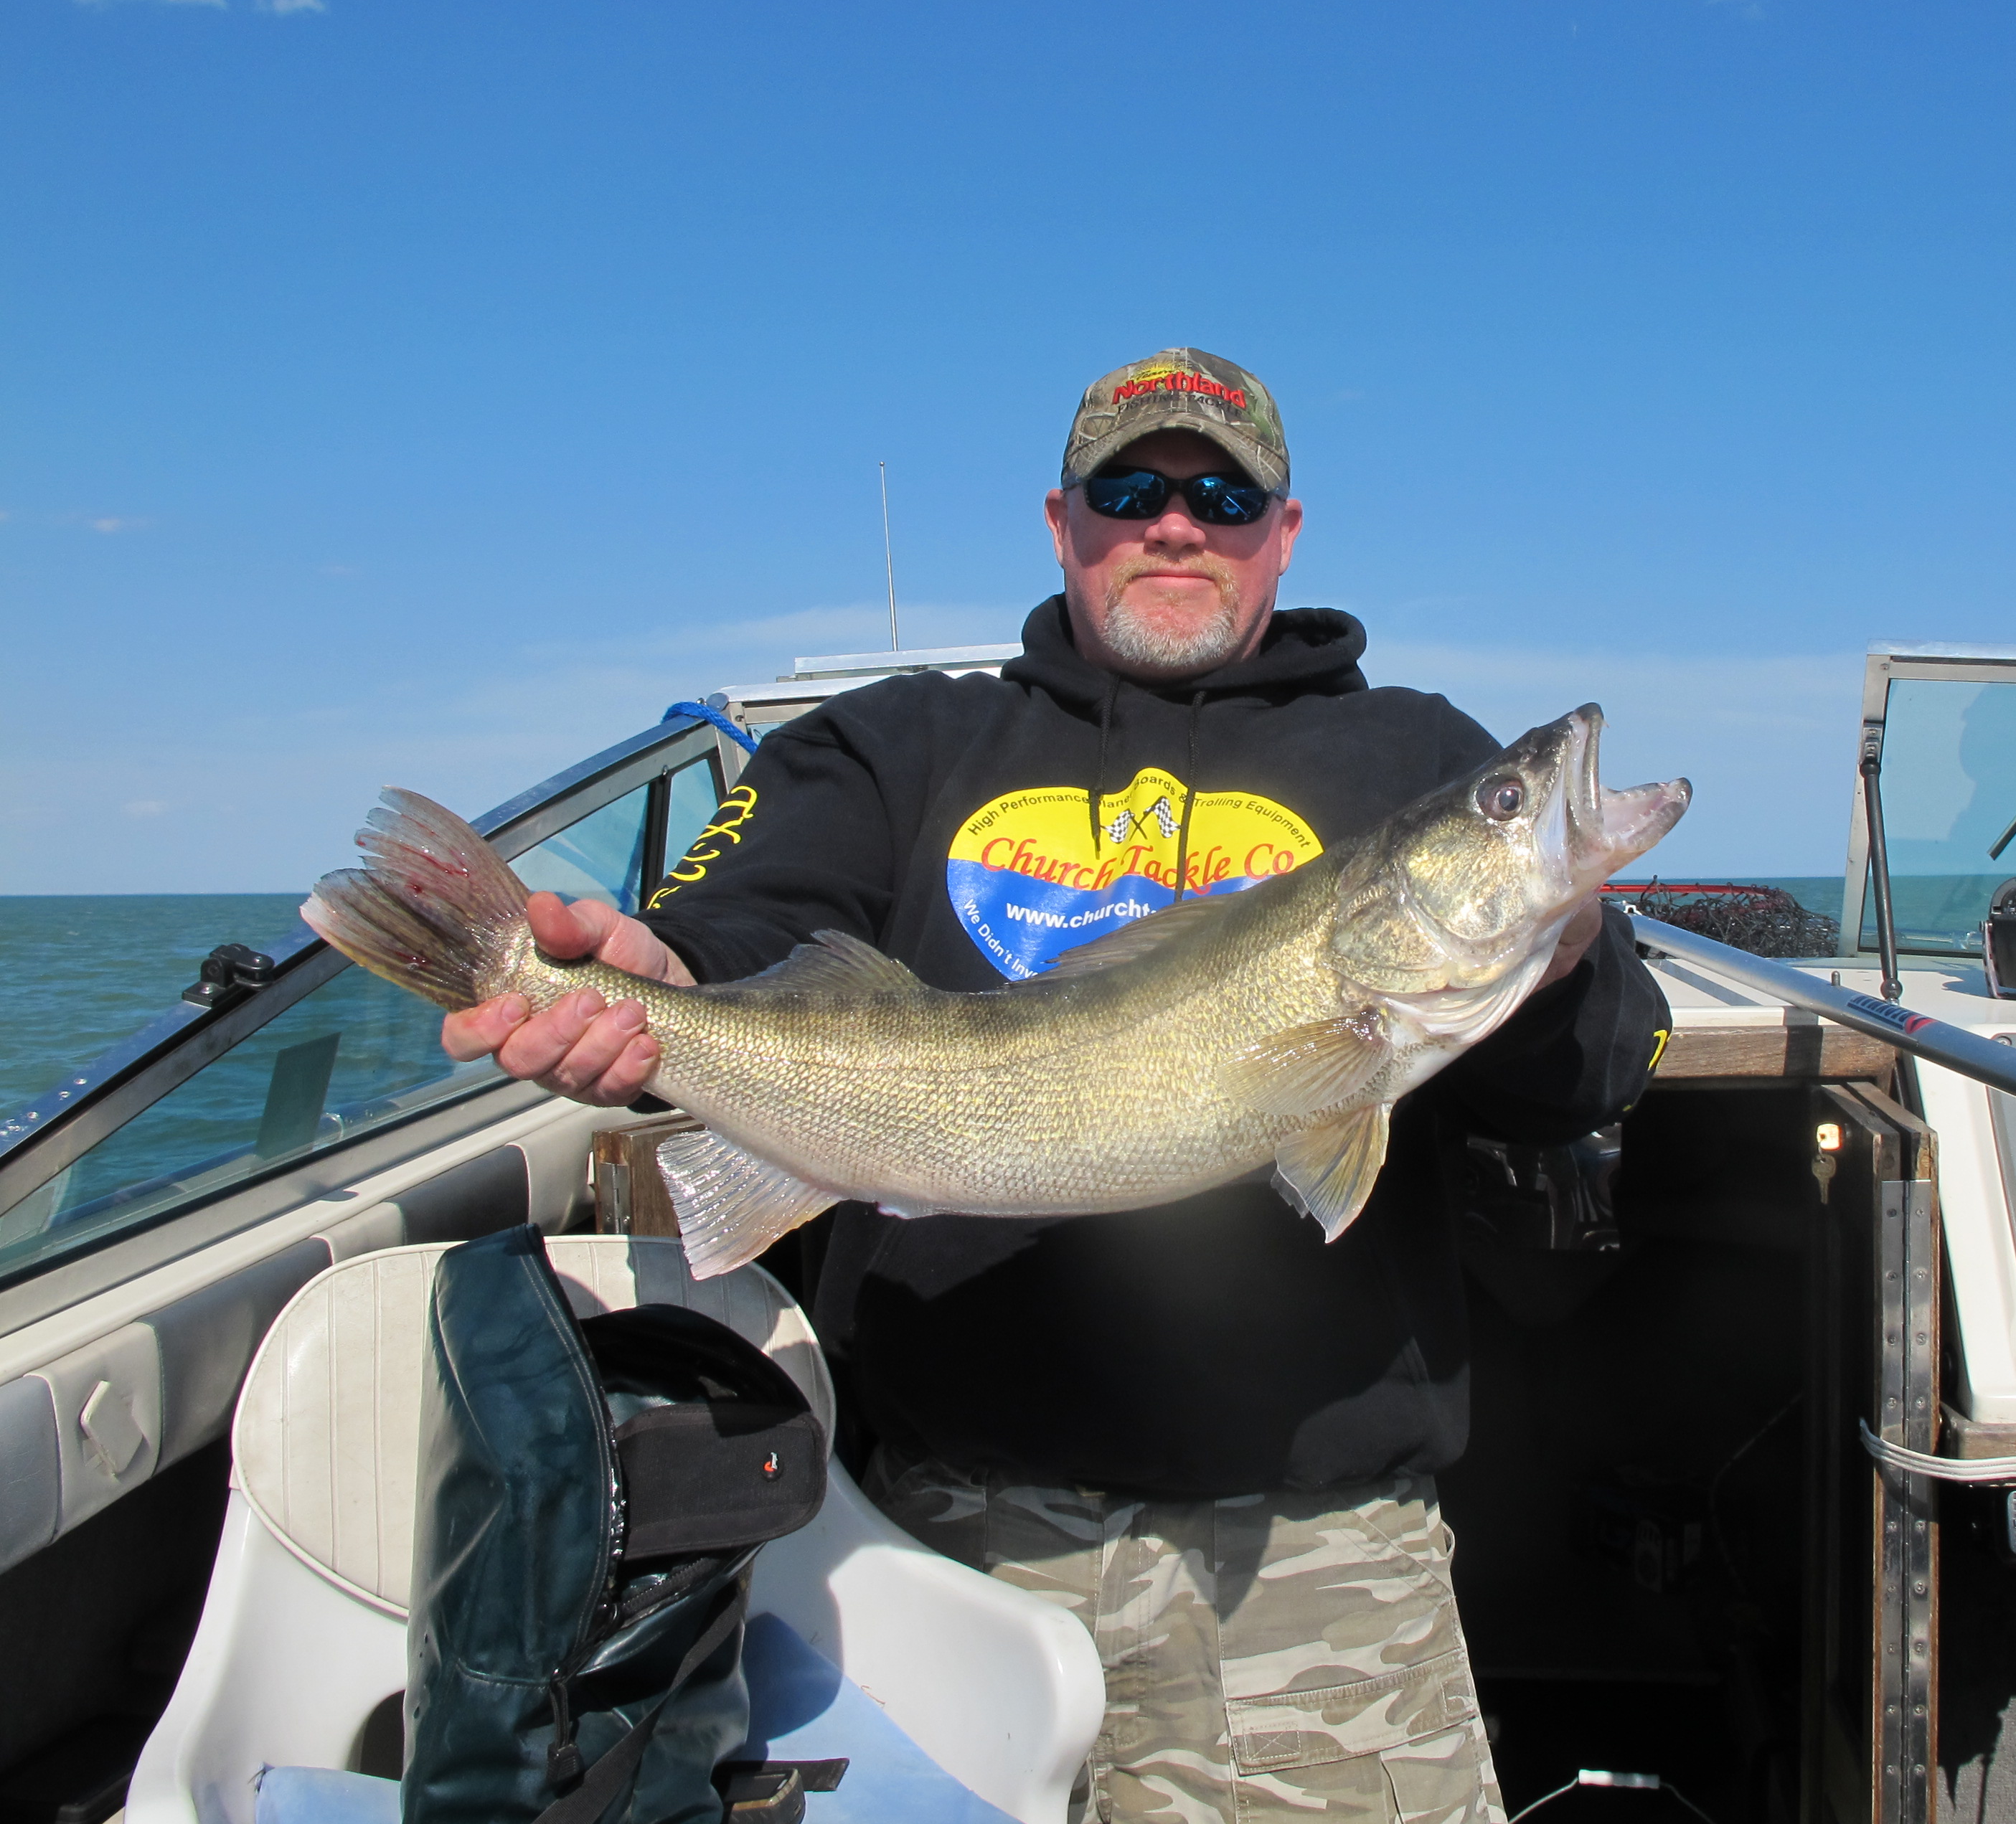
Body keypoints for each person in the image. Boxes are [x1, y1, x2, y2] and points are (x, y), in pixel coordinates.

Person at [441, 348, 1671, 1824]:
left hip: (1314, 1564)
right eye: (1129, 489)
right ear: (1061, 521)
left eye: (1224, 493)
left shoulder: (1415, 751)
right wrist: (649, 976)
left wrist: (1562, 931)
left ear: (1283, 532)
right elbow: (740, 938)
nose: (1174, 522)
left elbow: (1596, 1073)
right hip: (931, 1535)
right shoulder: (900, 743)